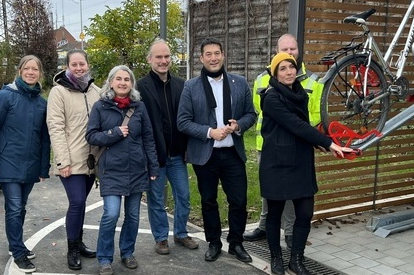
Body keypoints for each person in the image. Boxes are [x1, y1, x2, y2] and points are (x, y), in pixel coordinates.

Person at [260, 52, 352, 275]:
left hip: (300, 160)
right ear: (275, 73)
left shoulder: (300, 93)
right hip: (277, 164)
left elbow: (303, 128)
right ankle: (276, 258)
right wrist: (328, 143)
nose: (289, 72)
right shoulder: (271, 98)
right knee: (274, 215)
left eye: (291, 67)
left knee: (305, 213)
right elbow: (296, 125)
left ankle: (296, 261)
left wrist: (321, 142)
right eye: (282, 68)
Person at [177, 37, 257, 263]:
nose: (213, 58)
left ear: (223, 55)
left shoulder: (239, 82)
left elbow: (251, 114)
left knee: (238, 200)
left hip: (233, 152)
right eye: (208, 54)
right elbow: (182, 121)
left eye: (217, 53)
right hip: (206, 154)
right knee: (209, 201)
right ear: (201, 58)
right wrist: (209, 132)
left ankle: (236, 243)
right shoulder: (191, 86)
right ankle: (214, 242)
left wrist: (238, 125)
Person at [244, 34, 323, 248]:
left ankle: (289, 232)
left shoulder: (314, 81)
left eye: (293, 49)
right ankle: (263, 226)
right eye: (284, 50)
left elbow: (316, 114)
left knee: (293, 195)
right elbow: (258, 108)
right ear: (276, 53)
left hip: (299, 145)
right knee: (271, 193)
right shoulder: (262, 78)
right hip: (268, 145)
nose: (289, 53)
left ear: (298, 51)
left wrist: (297, 127)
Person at [86, 65, 159, 275]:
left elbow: (148, 138)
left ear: (132, 84)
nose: (122, 82)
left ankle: (127, 252)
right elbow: (91, 136)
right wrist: (114, 133)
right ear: (111, 82)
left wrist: (153, 166)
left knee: (134, 216)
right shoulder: (100, 107)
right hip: (111, 170)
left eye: (127, 79)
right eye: (118, 78)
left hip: (136, 169)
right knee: (111, 214)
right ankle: (105, 258)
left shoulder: (139, 107)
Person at [0, 55, 51, 273]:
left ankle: (17, 244)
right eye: (27, 68)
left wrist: (43, 168)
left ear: (40, 73)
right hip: (7, 162)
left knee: (20, 207)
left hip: (30, 165)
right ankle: (18, 251)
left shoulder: (42, 103)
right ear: (20, 70)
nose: (31, 72)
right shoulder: (5, 96)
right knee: (13, 207)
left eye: (35, 69)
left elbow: (44, 137)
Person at [137, 39, 197, 255]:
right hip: (155, 156)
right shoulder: (141, 86)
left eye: (167, 57)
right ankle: (161, 237)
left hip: (178, 155)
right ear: (150, 59)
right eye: (159, 57)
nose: (163, 61)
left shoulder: (182, 85)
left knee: (184, 196)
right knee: (156, 199)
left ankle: (180, 233)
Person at [47, 50, 100, 270]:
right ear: (67, 66)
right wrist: (63, 161)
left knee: (81, 204)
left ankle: (79, 242)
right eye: (74, 64)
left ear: (88, 65)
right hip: (71, 160)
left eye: (82, 64)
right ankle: (72, 249)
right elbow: (56, 127)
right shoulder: (58, 93)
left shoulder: (96, 91)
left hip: (93, 160)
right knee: (77, 202)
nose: (79, 68)